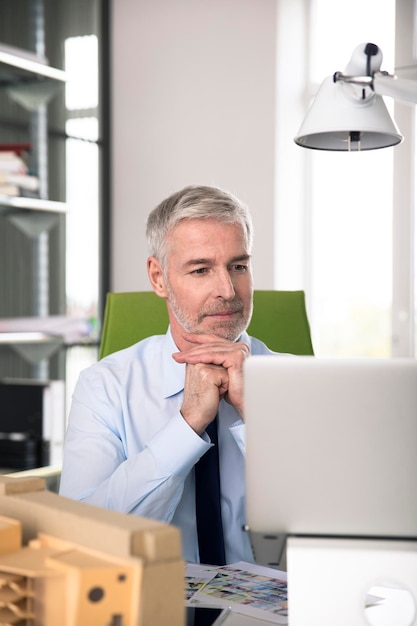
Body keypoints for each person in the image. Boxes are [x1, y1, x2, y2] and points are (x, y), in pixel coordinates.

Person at [59, 184, 278, 565]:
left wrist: (257, 416)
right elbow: (80, 539)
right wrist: (188, 424)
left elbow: (341, 529)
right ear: (158, 278)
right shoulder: (105, 386)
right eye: (201, 269)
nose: (227, 290)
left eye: (238, 266)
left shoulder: (299, 380)